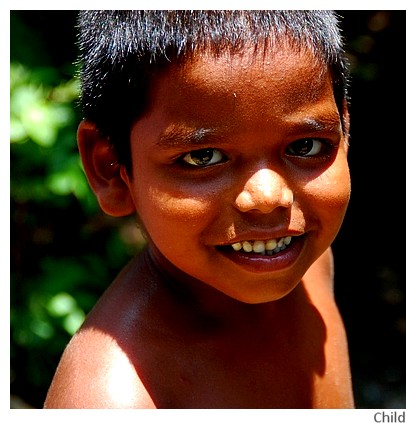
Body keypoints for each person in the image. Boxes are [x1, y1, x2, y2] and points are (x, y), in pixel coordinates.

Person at [43, 10, 354, 408]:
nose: (268, 197)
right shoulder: (111, 401)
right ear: (110, 168)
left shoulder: (311, 265)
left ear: (344, 129)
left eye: (305, 146)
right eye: (203, 157)